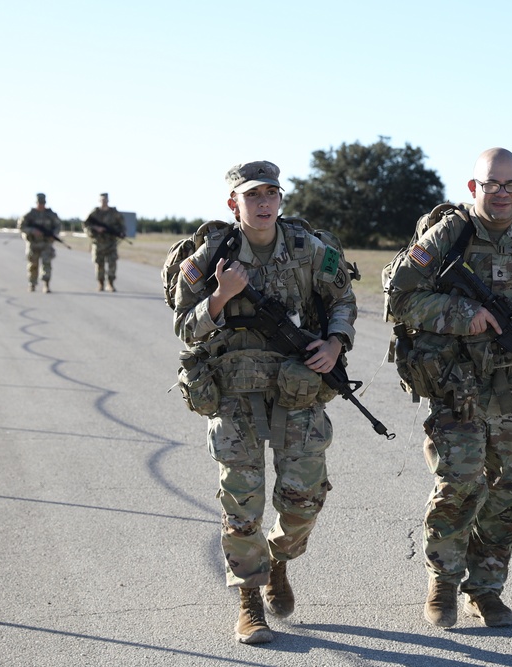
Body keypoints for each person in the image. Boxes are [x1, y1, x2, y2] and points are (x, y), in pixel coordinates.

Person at [386, 148, 512, 628]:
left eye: (511, 185)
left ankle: (487, 586)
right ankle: (443, 583)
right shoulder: (449, 236)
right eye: (492, 185)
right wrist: (464, 316)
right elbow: (400, 294)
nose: (502, 193)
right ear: (473, 188)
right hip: (459, 383)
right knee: (460, 483)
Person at [172, 161, 357, 644]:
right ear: (233, 203)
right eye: (252, 195)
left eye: (271, 193)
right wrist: (219, 297)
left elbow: (343, 300)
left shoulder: (308, 249)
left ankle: (277, 561)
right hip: (233, 395)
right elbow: (184, 327)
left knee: (304, 501)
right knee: (241, 505)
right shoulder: (210, 255)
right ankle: (248, 601)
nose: (263, 203)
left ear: (280, 199)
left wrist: (335, 342)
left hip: (298, 390)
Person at [17, 192, 63, 293]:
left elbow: (58, 226)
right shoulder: (29, 215)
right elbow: (21, 227)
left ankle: (46, 285)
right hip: (33, 243)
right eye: (39, 203)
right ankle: (32, 284)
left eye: (42, 203)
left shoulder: (51, 215)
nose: (41, 205)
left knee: (46, 264)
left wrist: (53, 235)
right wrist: (32, 231)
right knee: (33, 265)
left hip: (46, 243)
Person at [83, 192, 125, 291]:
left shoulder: (114, 213)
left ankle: (110, 284)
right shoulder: (94, 213)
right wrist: (95, 228)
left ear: (108, 200)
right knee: (99, 264)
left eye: (105, 200)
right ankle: (100, 283)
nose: (104, 202)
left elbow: (122, 225)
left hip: (111, 243)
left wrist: (121, 233)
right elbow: (85, 224)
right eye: (102, 200)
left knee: (112, 264)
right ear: (99, 201)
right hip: (98, 243)